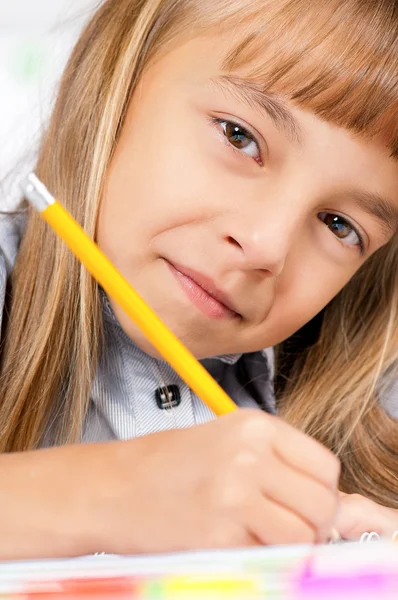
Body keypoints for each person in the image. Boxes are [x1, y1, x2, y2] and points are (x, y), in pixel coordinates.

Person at [0, 0, 397, 560]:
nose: (266, 245)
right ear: (117, 75)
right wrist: (111, 493)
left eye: (339, 226)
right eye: (239, 137)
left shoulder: (375, 404)